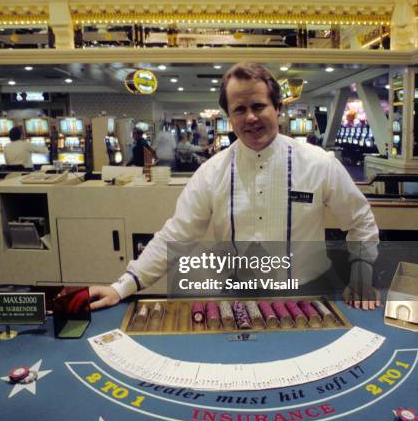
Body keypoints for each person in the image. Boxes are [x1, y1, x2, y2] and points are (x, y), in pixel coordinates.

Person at [90, 62, 379, 311]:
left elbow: (361, 221)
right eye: (240, 109)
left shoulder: (320, 163)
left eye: (258, 106)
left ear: (277, 108)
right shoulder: (210, 172)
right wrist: (122, 286)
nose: (250, 117)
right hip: (237, 296)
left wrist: (361, 273)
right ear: (230, 117)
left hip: (312, 294)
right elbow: (176, 235)